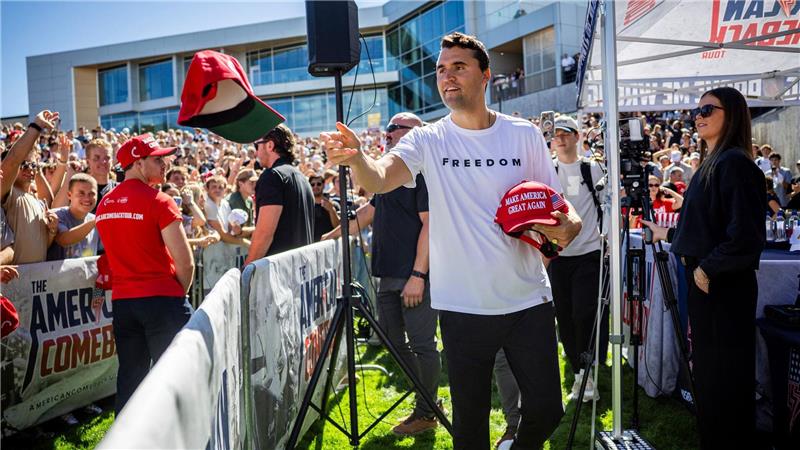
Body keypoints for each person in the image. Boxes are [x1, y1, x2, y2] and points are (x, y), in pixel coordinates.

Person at [321, 32, 582, 450]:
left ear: (485, 75)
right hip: (463, 307)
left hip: (528, 301)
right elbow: (381, 177)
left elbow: (555, 210)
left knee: (548, 409)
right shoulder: (428, 138)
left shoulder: (523, 134)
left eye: (458, 67)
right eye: (441, 69)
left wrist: (567, 229)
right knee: (469, 429)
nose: (447, 76)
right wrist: (356, 160)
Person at [642, 87, 765, 449]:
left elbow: (745, 236)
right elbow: (707, 228)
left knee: (725, 380)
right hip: (709, 287)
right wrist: (668, 233)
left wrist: (706, 270)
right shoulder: (716, 162)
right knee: (712, 378)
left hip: (722, 288)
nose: (698, 116)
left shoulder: (735, 164)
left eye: (708, 109)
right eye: (696, 110)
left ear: (732, 114)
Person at [323, 112, 442, 436]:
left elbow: (431, 225)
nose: (387, 134)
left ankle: (427, 411)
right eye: (387, 129)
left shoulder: (424, 173)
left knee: (422, 345)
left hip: (414, 275)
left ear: (416, 133)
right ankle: (429, 403)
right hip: (387, 274)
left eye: (394, 128)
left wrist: (418, 274)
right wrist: (331, 237)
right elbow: (369, 211)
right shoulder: (389, 173)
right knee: (391, 340)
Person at [95, 133, 195, 414]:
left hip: (124, 304)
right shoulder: (159, 200)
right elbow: (185, 262)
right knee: (177, 379)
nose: (165, 165)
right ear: (138, 163)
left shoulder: (105, 204)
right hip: (163, 300)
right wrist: (178, 295)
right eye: (157, 160)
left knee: (131, 379)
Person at [549, 114, 607, 403]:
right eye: (555, 134)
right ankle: (578, 373)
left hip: (589, 252)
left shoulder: (592, 168)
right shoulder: (547, 169)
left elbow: (608, 206)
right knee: (565, 318)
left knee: (583, 313)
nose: (559, 138)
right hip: (558, 257)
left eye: (565, 133)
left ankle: (587, 369)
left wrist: (607, 239)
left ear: (576, 137)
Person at [243, 124, 314, 265]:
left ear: (269, 145)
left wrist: (247, 268)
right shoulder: (302, 177)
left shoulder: (272, 176)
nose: (256, 153)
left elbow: (264, 233)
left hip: (280, 272)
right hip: (302, 269)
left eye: (257, 146)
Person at [1, 111, 61, 264]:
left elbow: (42, 247)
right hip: (11, 281)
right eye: (24, 165)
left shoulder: (38, 201)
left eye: (33, 165)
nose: (30, 169)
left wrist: (52, 231)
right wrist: (36, 126)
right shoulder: (9, 193)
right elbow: (12, 162)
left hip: (37, 281)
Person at [47, 173, 99, 260]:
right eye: (81, 193)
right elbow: (64, 240)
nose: (87, 198)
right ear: (69, 195)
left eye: (91, 194)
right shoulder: (56, 215)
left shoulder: (96, 219)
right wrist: (97, 220)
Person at [309, 174, 339, 242]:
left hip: (329, 244)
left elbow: (338, 227)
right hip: (311, 245)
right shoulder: (307, 206)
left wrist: (331, 210)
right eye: (312, 184)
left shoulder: (333, 204)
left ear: (324, 185)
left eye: (319, 184)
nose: (315, 186)